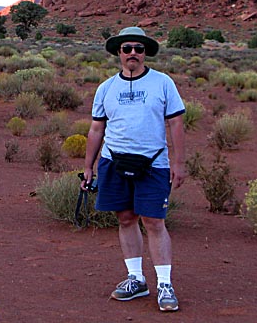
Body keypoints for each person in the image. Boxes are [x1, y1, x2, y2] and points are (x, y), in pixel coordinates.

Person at [82, 26, 186, 312]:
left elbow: (176, 123)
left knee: (154, 222)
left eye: (138, 49)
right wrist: (88, 166)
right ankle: (136, 279)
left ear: (145, 53)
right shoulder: (106, 88)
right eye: (127, 48)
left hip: (153, 163)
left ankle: (164, 284)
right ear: (119, 52)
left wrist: (178, 163)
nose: (132, 54)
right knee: (126, 218)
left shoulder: (162, 83)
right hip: (113, 161)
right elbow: (96, 128)